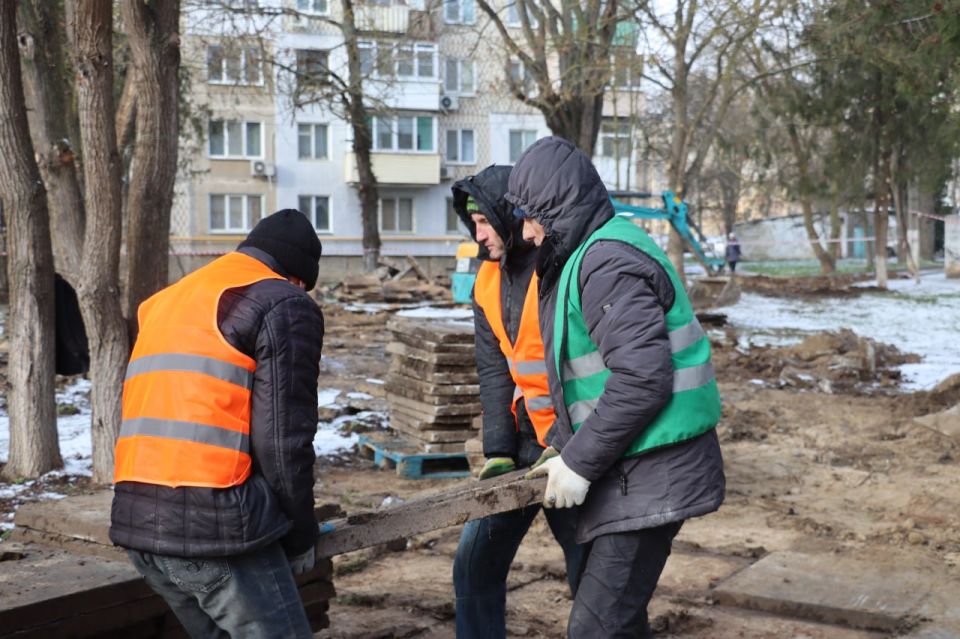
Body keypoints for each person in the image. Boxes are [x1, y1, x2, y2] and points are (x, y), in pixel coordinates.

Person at [507, 137, 725, 638]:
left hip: (656, 471)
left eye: (531, 217)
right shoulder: (592, 252)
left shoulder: (604, 263)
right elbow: (592, 381)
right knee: (616, 623)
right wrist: (562, 447)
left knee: (596, 628)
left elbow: (641, 378)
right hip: (642, 466)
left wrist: (580, 462)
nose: (527, 232)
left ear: (557, 210)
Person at [110, 209, 325, 639]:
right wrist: (301, 532)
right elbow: (283, 441)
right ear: (297, 278)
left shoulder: (169, 300)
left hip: (137, 523)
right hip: (215, 532)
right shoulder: (281, 302)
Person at [450, 165, 585, 638]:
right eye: (473, 224)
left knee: (592, 575)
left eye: (484, 221)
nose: (478, 234)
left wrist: (575, 450)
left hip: (571, 449)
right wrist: (498, 451)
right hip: (524, 447)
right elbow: (493, 371)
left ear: (508, 214)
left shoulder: (558, 267)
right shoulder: (486, 281)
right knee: (474, 564)